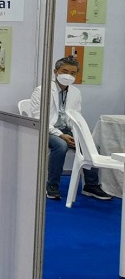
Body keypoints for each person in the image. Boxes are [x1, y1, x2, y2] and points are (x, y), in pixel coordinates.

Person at [30, 56, 111, 201]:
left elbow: (74, 116)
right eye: (65, 71)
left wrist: (78, 134)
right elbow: (39, 119)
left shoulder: (75, 92)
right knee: (60, 146)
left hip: (66, 129)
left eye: (73, 73)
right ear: (55, 71)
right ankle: (52, 185)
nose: (68, 75)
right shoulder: (41, 90)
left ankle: (90, 185)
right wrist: (60, 135)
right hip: (46, 129)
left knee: (90, 144)